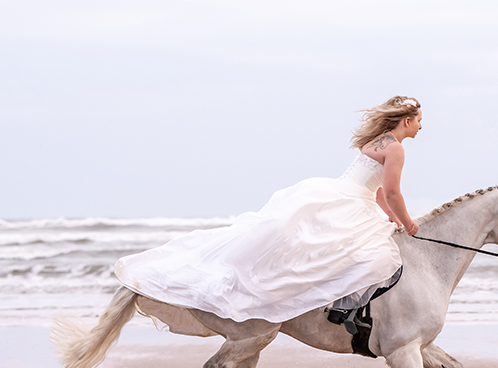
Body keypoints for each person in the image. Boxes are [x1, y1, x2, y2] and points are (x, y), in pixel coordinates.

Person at [112, 96, 423, 325]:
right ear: (406, 120)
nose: (421, 126)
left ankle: (340, 307)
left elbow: (380, 192)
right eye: (419, 120)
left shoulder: (377, 141)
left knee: (322, 248)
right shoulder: (395, 148)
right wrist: (407, 223)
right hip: (352, 201)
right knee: (378, 256)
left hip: (343, 193)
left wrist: (392, 218)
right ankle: (344, 309)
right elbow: (393, 192)